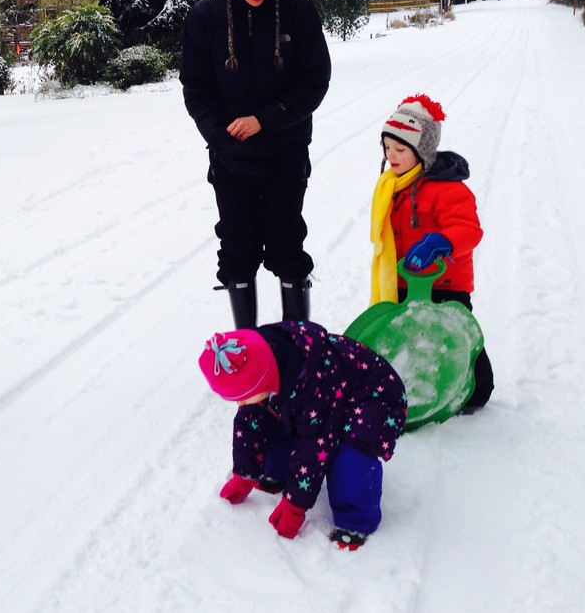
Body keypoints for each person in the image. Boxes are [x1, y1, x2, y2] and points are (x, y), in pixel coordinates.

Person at [180, 0, 331, 328]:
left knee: (287, 244)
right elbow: (196, 89)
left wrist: (264, 121)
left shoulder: (298, 13)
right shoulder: (206, 18)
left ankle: (297, 345)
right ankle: (250, 351)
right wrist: (221, 137)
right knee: (237, 248)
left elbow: (315, 82)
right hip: (231, 156)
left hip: (285, 150)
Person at [198, 323, 407, 550]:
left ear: (263, 379)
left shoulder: (312, 380)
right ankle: (276, 472)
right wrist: (245, 473)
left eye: (244, 396)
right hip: (326, 398)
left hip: (374, 398)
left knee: (348, 456)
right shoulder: (264, 365)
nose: (240, 403)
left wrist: (295, 504)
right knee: (269, 416)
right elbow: (250, 423)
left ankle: (354, 521)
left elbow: (314, 446)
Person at [372, 94, 494, 411]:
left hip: (446, 284)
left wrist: (438, 242)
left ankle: (478, 390)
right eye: (388, 148)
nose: (392, 156)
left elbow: (469, 229)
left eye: (401, 149)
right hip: (404, 281)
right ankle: (420, 388)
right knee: (412, 338)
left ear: (422, 151)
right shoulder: (392, 185)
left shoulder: (449, 188)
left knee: (456, 337)